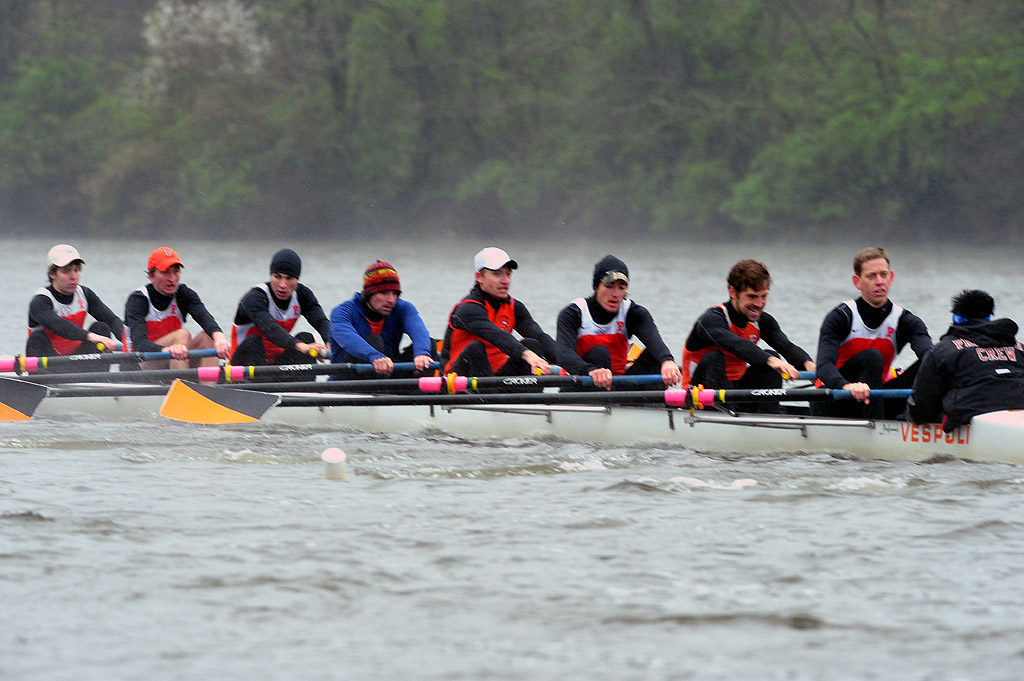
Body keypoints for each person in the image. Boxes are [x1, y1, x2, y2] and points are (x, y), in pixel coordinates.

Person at [681, 259, 815, 413]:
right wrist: (772, 361)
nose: (759, 304)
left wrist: (808, 365)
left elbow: (787, 347)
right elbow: (735, 344)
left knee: (771, 355)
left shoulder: (763, 321)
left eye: (763, 296)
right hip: (697, 397)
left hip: (735, 392)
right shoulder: (711, 319)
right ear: (733, 292)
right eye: (752, 297)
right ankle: (729, 418)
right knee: (715, 356)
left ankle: (769, 418)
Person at [814, 247, 932, 418]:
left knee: (933, 361)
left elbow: (930, 355)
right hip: (835, 398)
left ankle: (936, 419)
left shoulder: (906, 320)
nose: (879, 281)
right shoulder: (840, 317)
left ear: (890, 278)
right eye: (871, 276)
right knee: (872, 357)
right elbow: (823, 367)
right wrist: (847, 386)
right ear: (857, 282)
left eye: (883, 275)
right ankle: (879, 427)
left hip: (875, 397)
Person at [556, 254, 681, 389]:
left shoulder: (633, 313)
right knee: (599, 353)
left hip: (617, 385)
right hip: (580, 383)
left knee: (656, 357)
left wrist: (667, 361)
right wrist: (591, 370)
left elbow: (655, 342)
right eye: (609, 286)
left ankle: (650, 407)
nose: (615, 294)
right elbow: (563, 355)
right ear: (596, 287)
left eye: (621, 287)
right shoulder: (573, 313)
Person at [905, 289, 1024, 431]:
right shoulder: (1020, 348)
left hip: (972, 415)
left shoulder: (943, 350)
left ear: (956, 318)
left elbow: (921, 407)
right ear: (988, 317)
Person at [440, 247, 557, 377]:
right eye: (497, 274)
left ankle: (526, 396)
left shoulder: (514, 307)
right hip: (458, 379)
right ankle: (491, 395)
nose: (505, 281)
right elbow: (496, 335)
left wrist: (573, 363)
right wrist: (527, 354)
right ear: (479, 277)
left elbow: (540, 336)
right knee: (476, 348)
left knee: (532, 344)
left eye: (508, 274)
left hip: (496, 377)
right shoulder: (468, 309)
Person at [124, 247, 231, 369]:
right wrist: (167, 349)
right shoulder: (138, 300)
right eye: (165, 272)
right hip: (138, 364)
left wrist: (220, 339)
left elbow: (204, 317)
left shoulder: (184, 294)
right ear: (151, 276)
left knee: (208, 336)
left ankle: (209, 386)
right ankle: (181, 382)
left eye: (176, 271)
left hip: (172, 358)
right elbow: (140, 344)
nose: (172, 278)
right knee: (182, 335)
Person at [329, 259, 435, 377]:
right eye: (384, 293)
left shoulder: (404, 308)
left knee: (429, 345)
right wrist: (374, 356)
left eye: (395, 294)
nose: (391, 300)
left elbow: (418, 330)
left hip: (388, 373)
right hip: (347, 378)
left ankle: (423, 390)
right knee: (375, 342)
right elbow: (347, 338)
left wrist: (422, 353)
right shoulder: (342, 312)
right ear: (369, 294)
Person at [230, 248, 330, 367]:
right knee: (255, 341)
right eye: (277, 277)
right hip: (241, 366)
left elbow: (321, 322)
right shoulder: (254, 298)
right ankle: (258, 384)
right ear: (270, 275)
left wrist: (331, 342)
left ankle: (301, 385)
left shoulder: (303, 295)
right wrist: (302, 346)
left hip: (274, 367)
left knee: (307, 338)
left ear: (297, 279)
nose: (282, 285)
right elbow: (270, 329)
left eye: (289, 278)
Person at [26, 244, 124, 365]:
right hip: (49, 364)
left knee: (102, 327)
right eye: (66, 271)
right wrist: (91, 336)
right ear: (52, 274)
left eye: (76, 270)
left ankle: (97, 380)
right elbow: (59, 326)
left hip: (77, 363)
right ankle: (44, 380)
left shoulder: (85, 294)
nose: (73, 277)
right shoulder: (40, 301)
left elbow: (112, 320)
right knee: (37, 338)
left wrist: (130, 341)